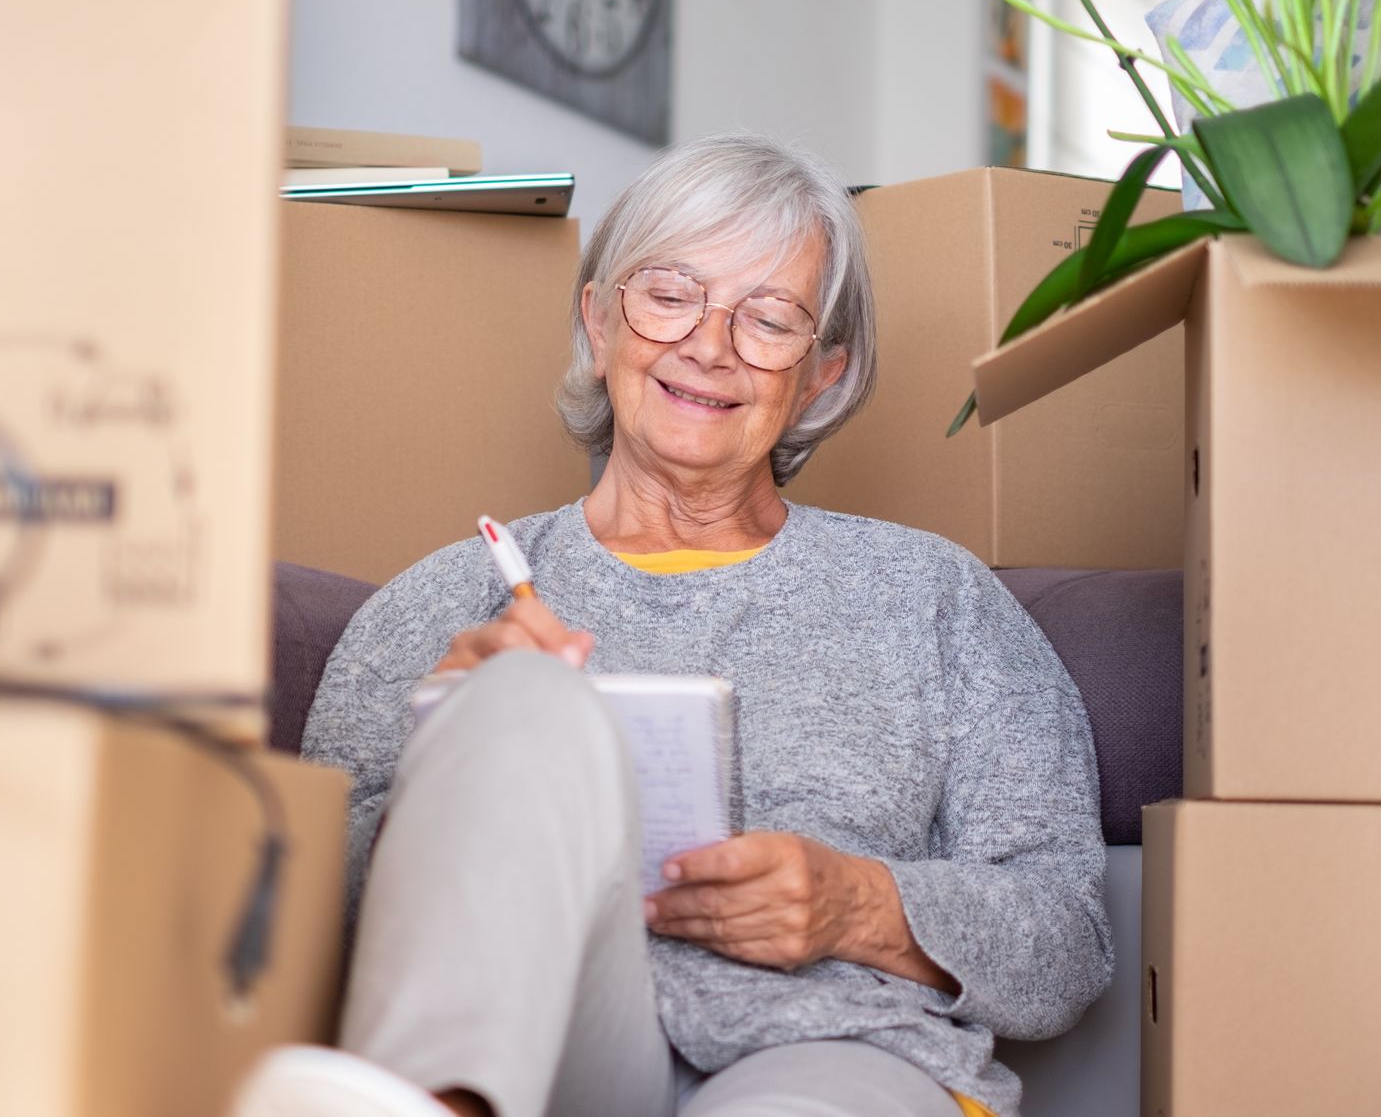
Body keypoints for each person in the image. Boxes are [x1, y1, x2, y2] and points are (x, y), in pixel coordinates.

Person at [234, 134, 1111, 1117]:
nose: (709, 343)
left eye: (769, 318)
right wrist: (455, 759)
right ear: (599, 321)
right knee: (517, 695)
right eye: (668, 294)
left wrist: (856, 903)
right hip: (557, 1061)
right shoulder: (445, 600)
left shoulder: (935, 595)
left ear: (823, 373)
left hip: (839, 1052)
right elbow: (301, 926)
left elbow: (1068, 941)